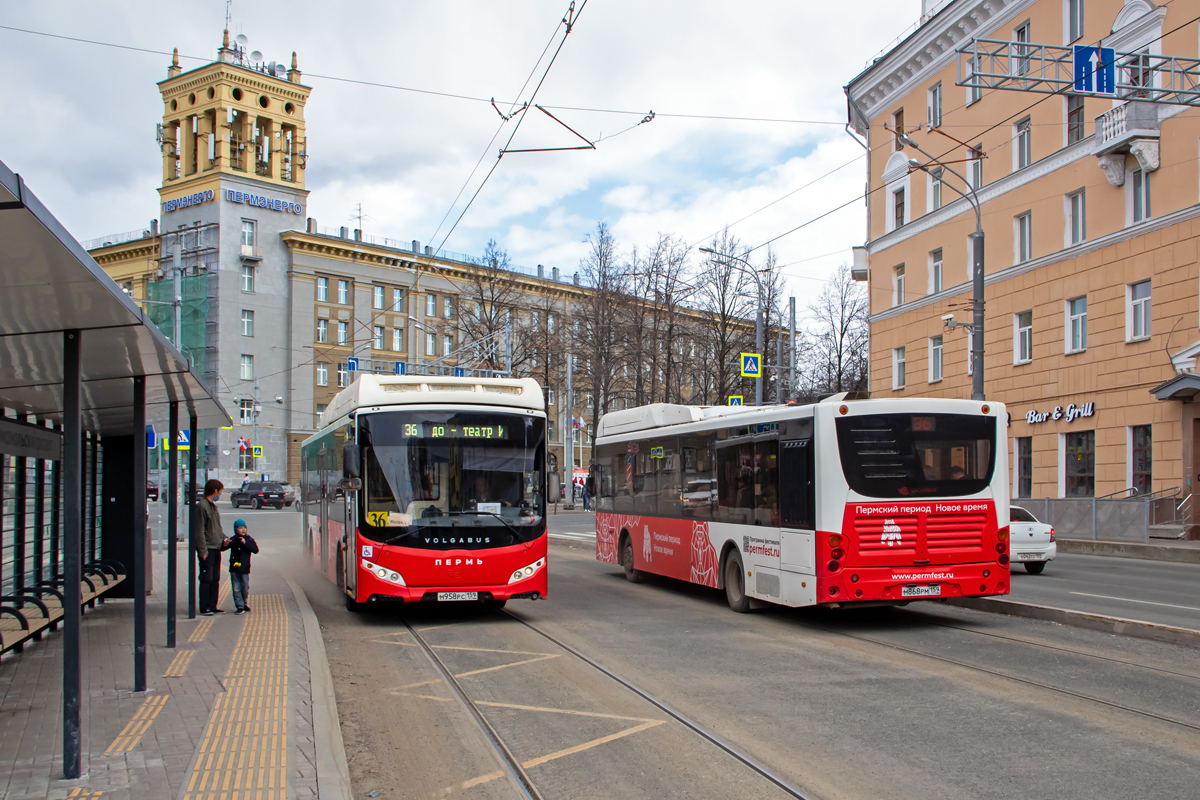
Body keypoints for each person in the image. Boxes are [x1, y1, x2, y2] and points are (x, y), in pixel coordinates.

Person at [194, 479, 229, 615]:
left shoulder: (213, 506)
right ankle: (204, 607)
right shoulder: (202, 506)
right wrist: (202, 550)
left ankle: (213, 605)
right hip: (207, 548)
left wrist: (224, 538)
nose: (220, 493)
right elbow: (199, 530)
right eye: (220, 491)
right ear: (215, 491)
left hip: (216, 547)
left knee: (215, 578)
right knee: (207, 578)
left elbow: (217, 528)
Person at [227, 519, 259, 614]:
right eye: (240, 528)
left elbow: (255, 550)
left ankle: (244, 603)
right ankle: (239, 606)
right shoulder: (233, 540)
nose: (243, 530)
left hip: (244, 568)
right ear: (236, 529)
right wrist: (225, 543)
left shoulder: (249, 539)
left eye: (244, 528)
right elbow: (224, 547)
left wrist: (245, 543)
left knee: (245, 587)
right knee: (236, 588)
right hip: (234, 568)